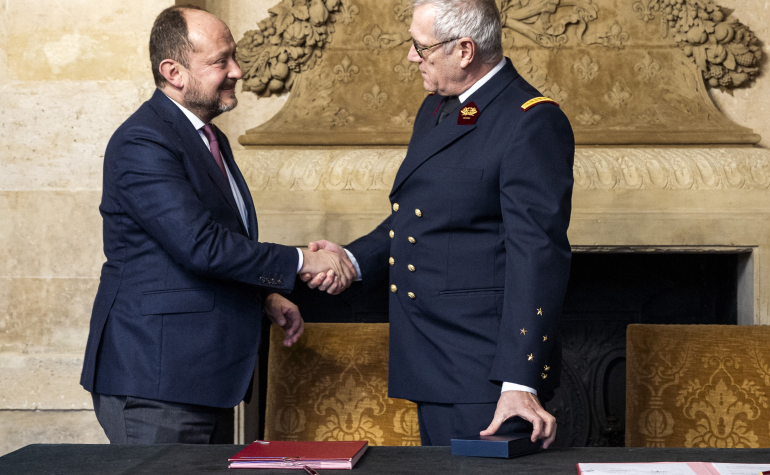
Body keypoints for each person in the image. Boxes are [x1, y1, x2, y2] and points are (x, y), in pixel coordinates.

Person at [79, 5, 354, 444]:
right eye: (220, 61)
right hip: (156, 381)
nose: (237, 71)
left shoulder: (209, 137)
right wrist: (304, 260)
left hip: (203, 379)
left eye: (234, 57)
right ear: (173, 72)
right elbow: (200, 245)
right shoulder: (143, 141)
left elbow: (215, 242)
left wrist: (263, 296)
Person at [306, 0, 574, 448]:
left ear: (464, 51)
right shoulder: (438, 108)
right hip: (434, 360)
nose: (411, 56)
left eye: (421, 46)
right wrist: (352, 258)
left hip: (488, 376)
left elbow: (538, 255)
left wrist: (519, 381)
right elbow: (419, 216)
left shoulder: (531, 119)